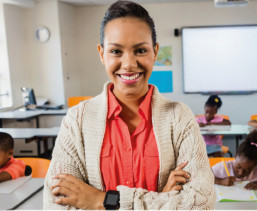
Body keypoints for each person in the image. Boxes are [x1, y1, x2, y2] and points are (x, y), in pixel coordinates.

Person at [43, 1, 215, 209]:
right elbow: (57, 203)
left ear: (155, 52)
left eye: (140, 50)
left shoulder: (179, 117)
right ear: (101, 54)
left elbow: (201, 204)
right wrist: (163, 199)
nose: (129, 64)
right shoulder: (77, 120)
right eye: (116, 51)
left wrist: (101, 200)